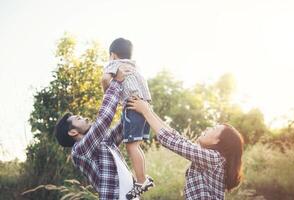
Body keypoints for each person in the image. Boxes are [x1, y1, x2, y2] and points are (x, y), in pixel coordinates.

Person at [127, 97, 244, 200]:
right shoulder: (210, 157)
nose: (208, 128)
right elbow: (177, 138)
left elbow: (171, 141)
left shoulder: (214, 158)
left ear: (217, 141)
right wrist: (149, 111)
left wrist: (145, 111)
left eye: (213, 129)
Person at [54, 66, 139, 200]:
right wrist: (116, 82)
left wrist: (133, 104)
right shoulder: (80, 150)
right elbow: (103, 119)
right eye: (79, 119)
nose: (85, 118)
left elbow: (122, 126)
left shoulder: (103, 143)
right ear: (72, 132)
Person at [102, 38, 153, 199]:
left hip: (132, 108)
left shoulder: (115, 64)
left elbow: (104, 79)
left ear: (113, 55)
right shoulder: (134, 65)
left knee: (131, 147)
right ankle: (142, 179)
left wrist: (107, 92)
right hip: (144, 107)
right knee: (135, 146)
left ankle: (141, 180)